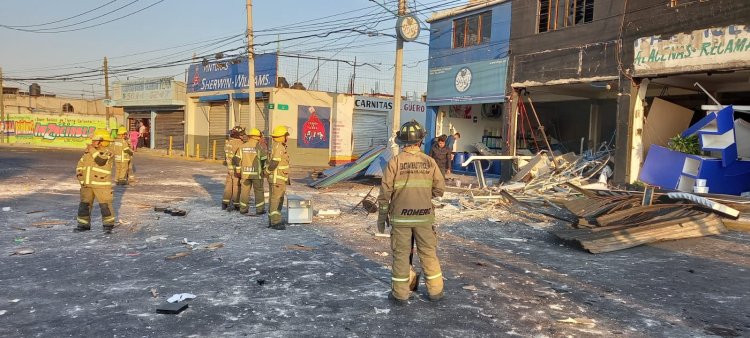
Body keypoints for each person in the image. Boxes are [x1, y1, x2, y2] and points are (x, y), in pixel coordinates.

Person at [377, 120, 446, 304]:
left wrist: (382, 217)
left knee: (401, 255)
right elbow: (439, 189)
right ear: (420, 140)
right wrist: (424, 195)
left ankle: (400, 295)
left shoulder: (395, 162)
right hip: (424, 218)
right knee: (428, 253)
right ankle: (436, 292)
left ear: (402, 142)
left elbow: (385, 193)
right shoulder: (430, 162)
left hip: (401, 219)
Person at [75, 129, 116, 234]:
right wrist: (81, 179)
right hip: (87, 185)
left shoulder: (109, 152)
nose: (92, 142)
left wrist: (92, 150)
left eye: (94, 140)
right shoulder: (87, 153)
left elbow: (101, 160)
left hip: (101, 185)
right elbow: (80, 165)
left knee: (105, 206)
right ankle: (83, 225)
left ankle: (108, 226)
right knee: (84, 205)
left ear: (101, 141)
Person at [265, 125, 290, 230]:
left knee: (274, 199)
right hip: (277, 178)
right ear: (281, 137)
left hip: (279, 178)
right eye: (286, 136)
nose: (287, 137)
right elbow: (275, 162)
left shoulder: (277, 146)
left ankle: (273, 220)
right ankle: (275, 222)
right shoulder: (279, 147)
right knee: (276, 199)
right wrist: (267, 171)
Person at [237, 128, 267, 216]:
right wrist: (263, 170)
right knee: (259, 191)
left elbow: (237, 159)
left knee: (244, 192)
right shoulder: (259, 147)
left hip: (245, 174)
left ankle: (243, 209)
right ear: (257, 137)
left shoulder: (242, 146)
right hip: (257, 174)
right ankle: (260, 209)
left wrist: (238, 170)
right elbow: (263, 160)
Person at [222, 126, 246, 211]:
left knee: (228, 185)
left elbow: (226, 158)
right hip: (237, 169)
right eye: (242, 134)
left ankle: (225, 203)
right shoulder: (241, 144)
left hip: (229, 168)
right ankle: (236, 204)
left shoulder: (228, 143)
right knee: (237, 186)